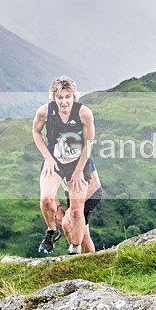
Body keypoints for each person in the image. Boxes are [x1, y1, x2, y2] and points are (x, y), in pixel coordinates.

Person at [32, 76, 97, 255]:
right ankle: (52, 231)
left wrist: (78, 172)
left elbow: (89, 142)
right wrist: (48, 157)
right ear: (54, 97)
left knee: (76, 212)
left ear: (73, 96)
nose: (64, 101)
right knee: (46, 199)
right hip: (55, 161)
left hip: (79, 163)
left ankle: (75, 249)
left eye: (67, 97)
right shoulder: (45, 112)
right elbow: (36, 132)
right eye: (60, 97)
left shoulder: (84, 113)